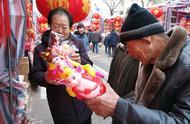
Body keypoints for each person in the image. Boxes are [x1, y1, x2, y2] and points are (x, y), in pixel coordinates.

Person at [85, 3, 190, 124]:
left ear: (146, 40)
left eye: (128, 47)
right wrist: (113, 101)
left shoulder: (187, 64)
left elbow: (182, 120)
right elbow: (141, 98)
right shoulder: (149, 59)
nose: (128, 53)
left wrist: (120, 108)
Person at [31, 8, 92, 124]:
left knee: (85, 119)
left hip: (81, 97)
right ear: (49, 25)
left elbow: (89, 65)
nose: (59, 30)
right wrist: (47, 77)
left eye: (64, 27)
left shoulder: (77, 43)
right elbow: (35, 74)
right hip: (59, 101)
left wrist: (81, 61)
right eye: (55, 26)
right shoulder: (41, 49)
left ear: (70, 27)